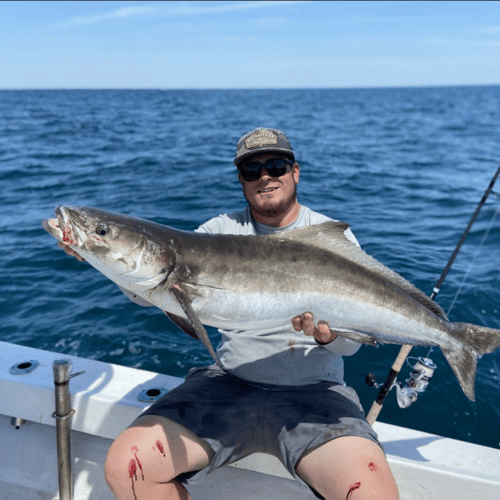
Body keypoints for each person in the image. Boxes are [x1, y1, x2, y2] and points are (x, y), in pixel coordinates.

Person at [61, 128, 399, 500]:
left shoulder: (332, 239)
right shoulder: (218, 232)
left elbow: (352, 349)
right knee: (127, 467)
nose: (266, 177)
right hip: (230, 385)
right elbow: (150, 289)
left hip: (316, 394)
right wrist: (98, 254)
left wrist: (329, 336)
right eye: (252, 171)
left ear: (295, 171)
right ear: (242, 180)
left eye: (276, 166)